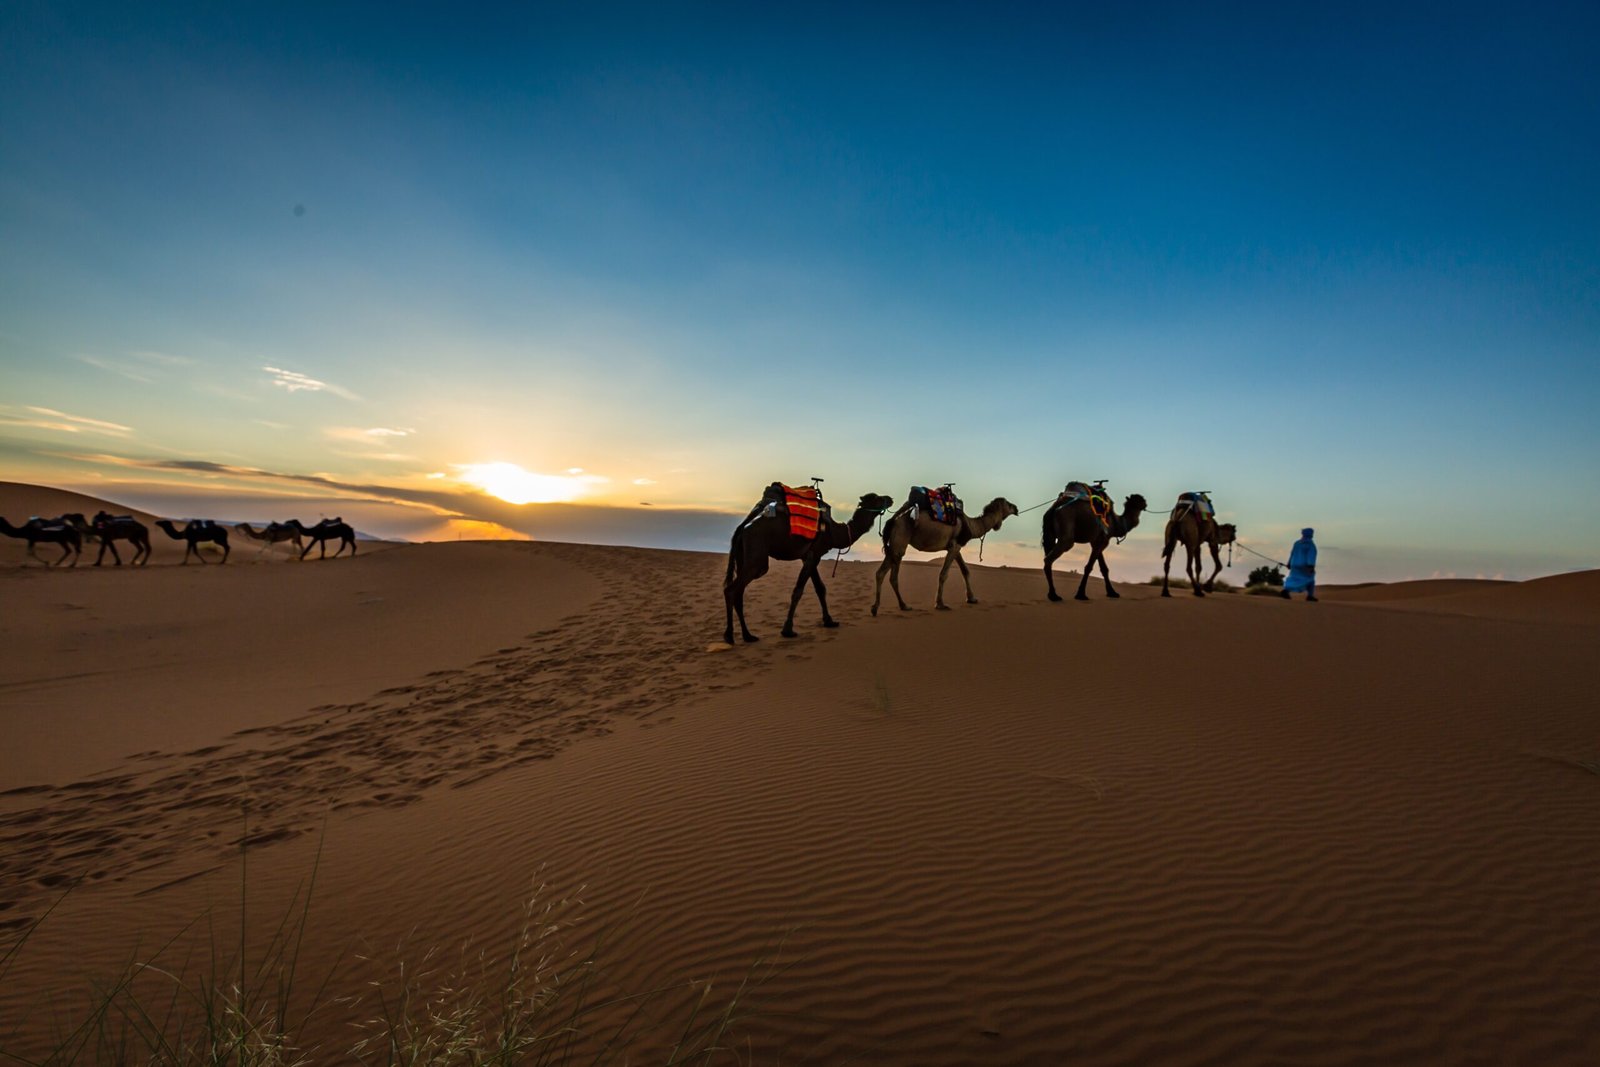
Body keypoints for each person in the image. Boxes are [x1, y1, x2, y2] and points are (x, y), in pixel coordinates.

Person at [1281, 528, 1318, 602]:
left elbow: (1292, 553)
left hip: (1294, 564)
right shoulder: (1310, 544)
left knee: (1293, 578)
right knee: (1310, 579)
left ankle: (1286, 590)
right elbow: (1311, 555)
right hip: (1305, 566)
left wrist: (1289, 563)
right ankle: (1310, 596)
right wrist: (1311, 565)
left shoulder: (1297, 543)